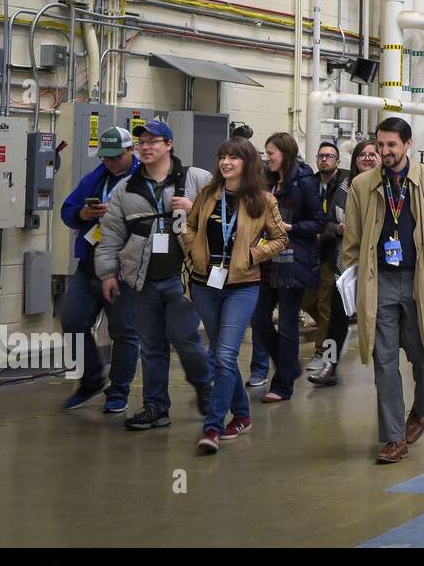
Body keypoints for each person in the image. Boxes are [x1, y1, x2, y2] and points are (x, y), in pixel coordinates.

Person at [340, 118, 424, 463]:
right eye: (380, 145)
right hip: (379, 281)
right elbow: (351, 243)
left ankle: (420, 410)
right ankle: (394, 438)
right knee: (383, 360)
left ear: (408, 144)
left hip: (422, 280)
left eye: (391, 145)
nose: (384, 152)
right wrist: (350, 285)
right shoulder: (362, 185)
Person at [96, 120, 213, 430]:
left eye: (153, 141)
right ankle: (155, 407)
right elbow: (111, 235)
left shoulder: (196, 179)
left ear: (169, 145)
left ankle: (205, 385)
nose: (146, 147)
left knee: (185, 339)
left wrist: (194, 208)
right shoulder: (127, 189)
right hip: (143, 280)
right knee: (151, 346)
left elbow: (226, 216)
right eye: (141, 143)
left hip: (184, 278)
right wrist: (108, 273)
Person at [182, 138, 289, 454]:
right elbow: (188, 227)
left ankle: (212, 427)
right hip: (204, 285)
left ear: (247, 163)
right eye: (222, 156)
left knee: (224, 356)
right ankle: (242, 415)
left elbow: (280, 238)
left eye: (234, 158)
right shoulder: (207, 195)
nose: (226, 162)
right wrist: (192, 250)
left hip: (242, 286)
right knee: (222, 354)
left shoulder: (263, 201)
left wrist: (253, 256)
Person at [58, 126, 141, 413]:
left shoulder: (144, 180)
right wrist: (83, 214)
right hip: (89, 264)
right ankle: (91, 380)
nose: (109, 162)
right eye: (105, 157)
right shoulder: (96, 178)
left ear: (132, 151)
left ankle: (118, 390)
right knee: (72, 321)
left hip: (123, 269)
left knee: (123, 331)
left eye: (115, 157)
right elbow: (67, 209)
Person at [250, 132, 324, 403]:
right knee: (258, 319)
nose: (267, 157)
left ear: (285, 153)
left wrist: (290, 227)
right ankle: (289, 366)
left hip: (293, 261)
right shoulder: (266, 182)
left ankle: (282, 385)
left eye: (272, 153)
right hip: (266, 259)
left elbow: (318, 222)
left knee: (287, 325)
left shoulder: (304, 183)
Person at [309, 138, 379, 387]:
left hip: (382, 265)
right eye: (363, 154)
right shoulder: (344, 186)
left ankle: (385, 368)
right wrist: (336, 228)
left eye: (373, 154)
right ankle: (330, 364)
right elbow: (325, 221)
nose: (367, 158)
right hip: (345, 262)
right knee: (337, 318)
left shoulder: (388, 186)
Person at [303, 140, 348, 372]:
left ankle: (323, 353)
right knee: (307, 300)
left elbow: (337, 221)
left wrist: (328, 231)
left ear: (337, 161)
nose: (324, 159)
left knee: (325, 305)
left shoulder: (344, 184)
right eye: (321, 156)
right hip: (310, 252)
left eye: (329, 156)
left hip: (333, 253)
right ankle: (334, 333)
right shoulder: (309, 184)